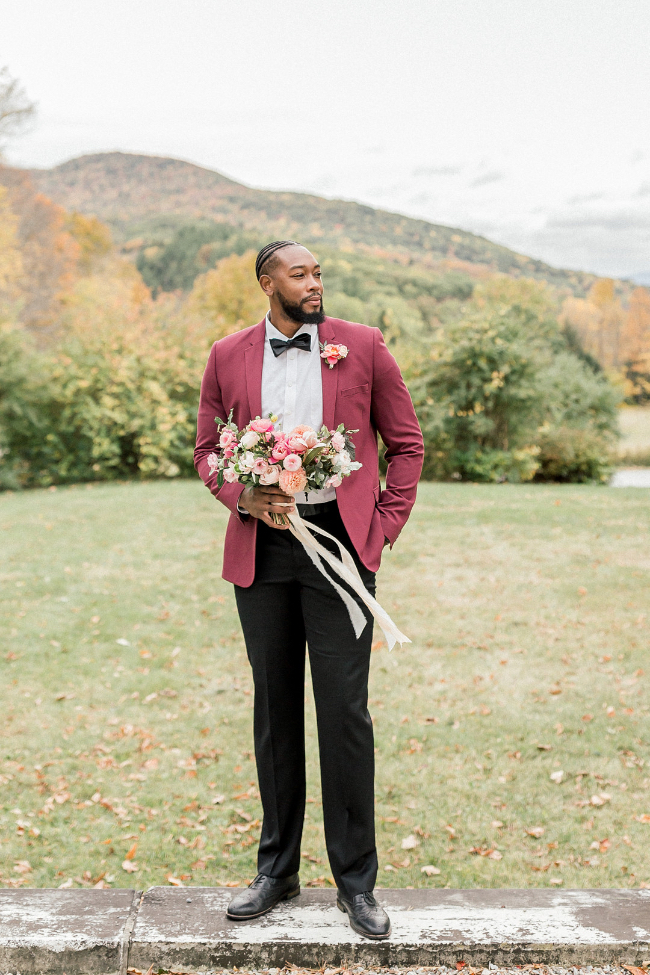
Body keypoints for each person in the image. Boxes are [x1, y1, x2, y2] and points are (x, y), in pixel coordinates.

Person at [194, 240, 423, 940]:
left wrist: (378, 530)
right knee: (275, 709)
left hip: (341, 551)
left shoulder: (362, 345)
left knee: (344, 713)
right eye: (301, 273)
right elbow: (207, 448)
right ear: (268, 282)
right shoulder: (226, 353)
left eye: (319, 272)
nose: (315, 282)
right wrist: (240, 494)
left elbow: (405, 443)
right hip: (262, 551)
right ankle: (277, 869)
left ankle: (357, 882)